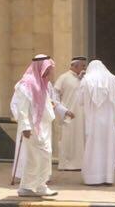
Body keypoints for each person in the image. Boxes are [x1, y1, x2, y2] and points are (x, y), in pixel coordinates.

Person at [11, 55, 74, 198]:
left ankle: (38, 186)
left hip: (44, 127)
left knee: (43, 156)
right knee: (35, 157)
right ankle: (29, 187)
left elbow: (50, 102)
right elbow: (21, 108)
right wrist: (25, 127)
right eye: (47, 69)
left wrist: (62, 111)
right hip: (32, 128)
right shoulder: (26, 84)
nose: (49, 72)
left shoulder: (44, 84)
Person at [80, 59, 115, 186]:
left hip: (93, 121)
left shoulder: (86, 80)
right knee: (108, 147)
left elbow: (80, 100)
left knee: (93, 147)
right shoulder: (113, 79)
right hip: (109, 122)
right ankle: (107, 177)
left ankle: (92, 178)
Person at [55, 56, 87, 170]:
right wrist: (63, 110)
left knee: (81, 139)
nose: (85, 68)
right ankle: (66, 164)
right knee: (67, 140)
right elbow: (54, 96)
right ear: (75, 65)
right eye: (83, 66)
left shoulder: (85, 79)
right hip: (68, 115)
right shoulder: (64, 78)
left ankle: (81, 164)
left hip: (82, 116)